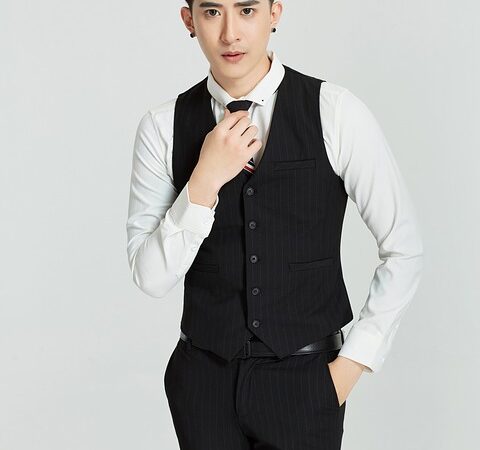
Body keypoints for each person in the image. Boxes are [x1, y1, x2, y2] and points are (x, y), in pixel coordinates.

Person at [125, 0, 424, 448]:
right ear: (189, 20)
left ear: (274, 13)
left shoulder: (335, 111)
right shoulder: (161, 126)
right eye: (212, 12)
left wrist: (348, 369)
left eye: (246, 10)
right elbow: (150, 277)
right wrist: (204, 181)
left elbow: (404, 248)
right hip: (202, 385)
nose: (230, 33)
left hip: (306, 382)